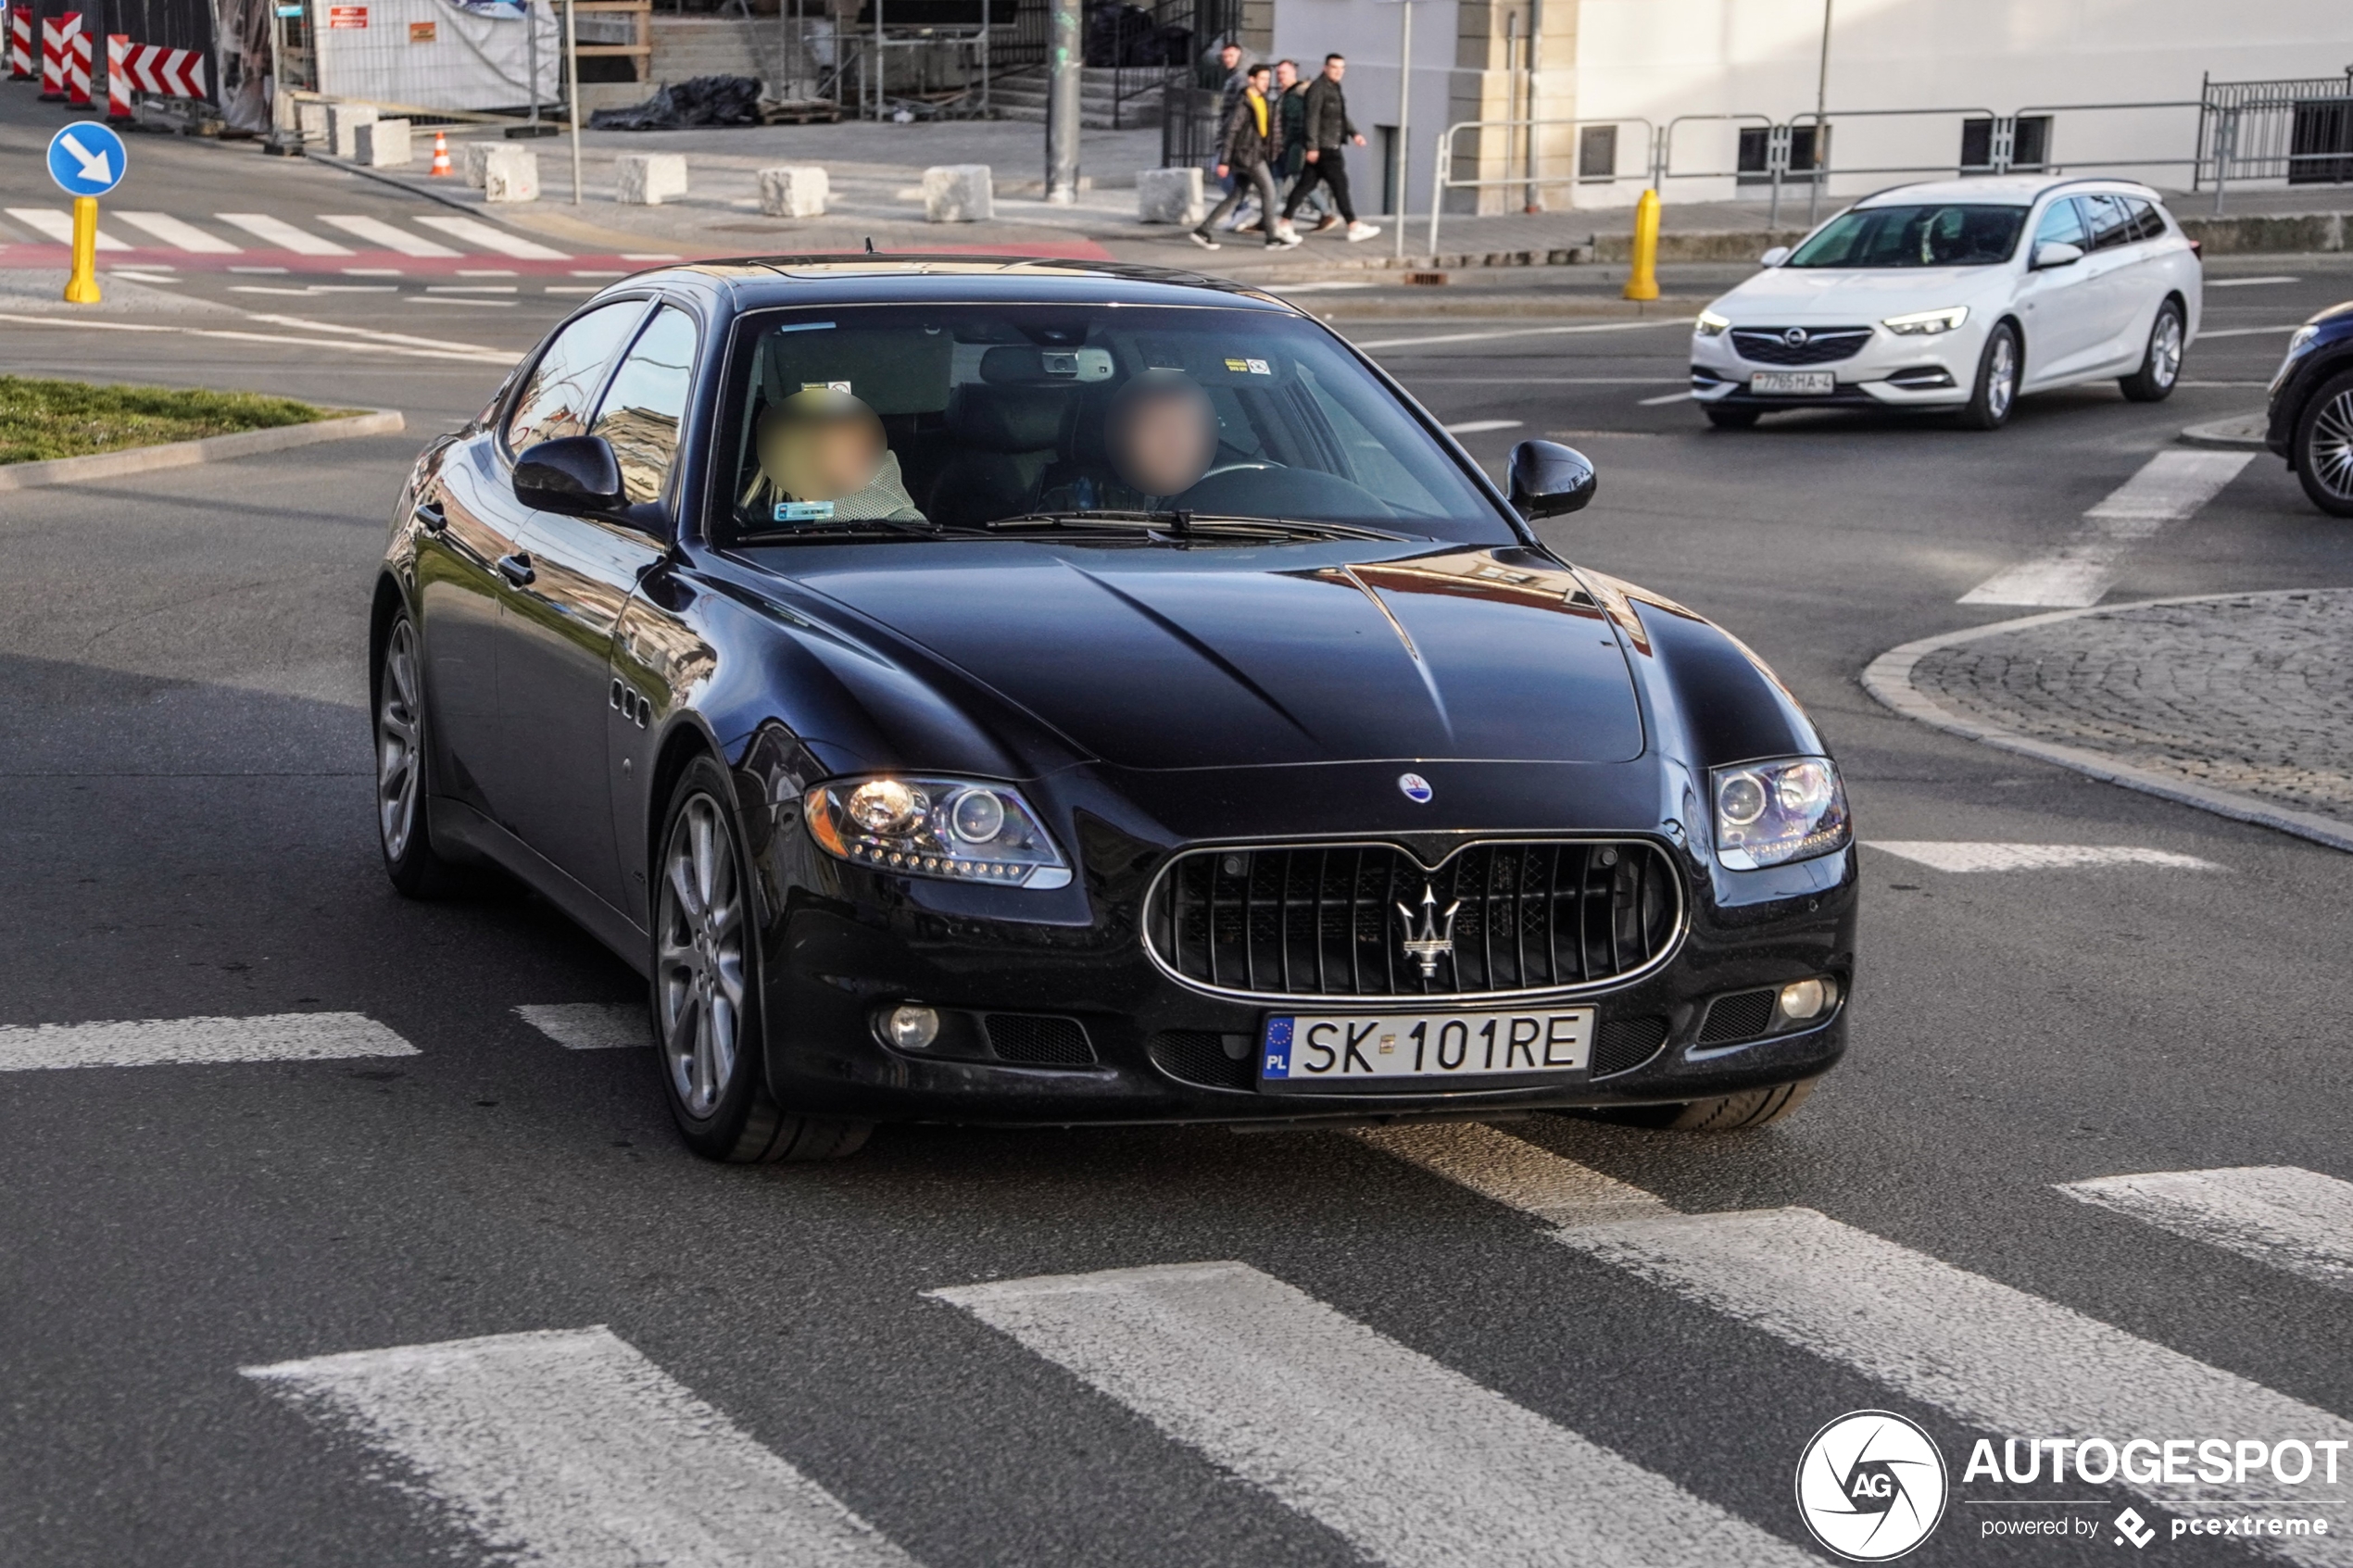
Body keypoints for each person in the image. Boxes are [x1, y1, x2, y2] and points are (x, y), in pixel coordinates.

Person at [1191, 64, 1301, 251]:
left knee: (1236, 196)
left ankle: (1202, 230)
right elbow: (1232, 131)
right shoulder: (1244, 103)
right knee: (1269, 191)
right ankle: (1272, 237)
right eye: (1262, 79)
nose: (1266, 83)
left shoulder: (1261, 99)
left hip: (1254, 154)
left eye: (1268, 79)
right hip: (1248, 156)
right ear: (1252, 79)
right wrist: (1224, 161)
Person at [1284, 53, 1381, 243]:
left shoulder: (1333, 87)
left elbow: (1340, 116)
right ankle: (1353, 225)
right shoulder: (1318, 89)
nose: (1338, 72)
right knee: (1340, 185)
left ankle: (1284, 223)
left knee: (1305, 185)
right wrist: (1312, 146)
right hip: (1325, 146)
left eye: (1341, 68)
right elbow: (1311, 118)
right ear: (1325, 68)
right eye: (1334, 67)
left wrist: (1354, 134)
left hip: (1329, 144)